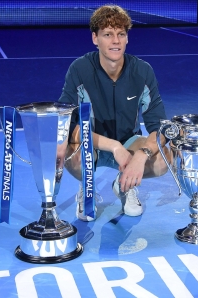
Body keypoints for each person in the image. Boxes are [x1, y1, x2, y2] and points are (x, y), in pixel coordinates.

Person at [58, 4, 170, 220]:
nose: (116, 41)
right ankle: (87, 187)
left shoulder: (142, 71)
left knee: (164, 159)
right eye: (108, 34)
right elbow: (67, 122)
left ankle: (124, 184)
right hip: (93, 145)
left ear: (127, 38)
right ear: (95, 38)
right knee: (69, 150)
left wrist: (141, 155)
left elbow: (160, 127)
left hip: (129, 143)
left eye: (121, 34)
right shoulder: (79, 70)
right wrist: (112, 146)